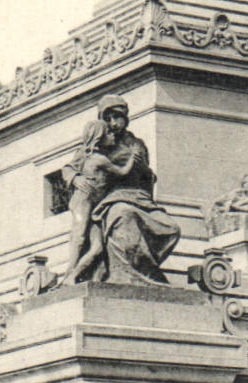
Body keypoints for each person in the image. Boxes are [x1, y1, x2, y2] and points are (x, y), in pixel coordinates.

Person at [81, 96, 180, 285]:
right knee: (124, 214)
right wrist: (75, 178)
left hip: (141, 198)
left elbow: (148, 177)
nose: (113, 123)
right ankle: (124, 274)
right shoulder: (100, 141)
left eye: (117, 117)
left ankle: (145, 269)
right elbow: (73, 167)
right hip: (111, 201)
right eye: (107, 118)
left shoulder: (137, 144)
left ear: (125, 118)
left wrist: (143, 168)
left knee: (172, 228)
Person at [62, 120, 138, 283]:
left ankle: (73, 276)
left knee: (97, 247)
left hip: (95, 206)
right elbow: (67, 169)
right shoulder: (85, 153)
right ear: (99, 136)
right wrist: (75, 178)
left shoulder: (106, 156)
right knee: (80, 237)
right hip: (83, 201)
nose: (112, 134)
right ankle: (69, 273)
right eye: (108, 133)